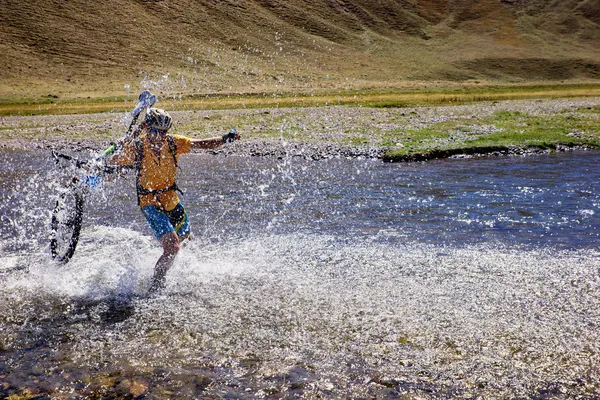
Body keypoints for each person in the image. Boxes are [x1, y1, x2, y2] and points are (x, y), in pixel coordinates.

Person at [110, 108, 240, 293]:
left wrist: (225, 138)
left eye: (164, 131)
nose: (160, 136)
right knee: (172, 247)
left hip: (170, 198)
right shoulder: (137, 147)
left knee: (185, 235)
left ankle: (176, 266)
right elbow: (111, 165)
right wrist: (118, 148)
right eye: (156, 131)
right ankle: (155, 287)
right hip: (150, 202)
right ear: (147, 129)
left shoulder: (173, 143)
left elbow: (202, 144)